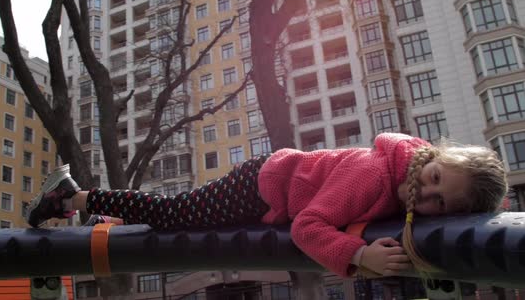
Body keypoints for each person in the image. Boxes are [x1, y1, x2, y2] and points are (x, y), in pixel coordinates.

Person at [26, 133, 507, 278]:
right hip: (262, 185)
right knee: (174, 215)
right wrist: (359, 255)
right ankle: (75, 195)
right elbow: (308, 227)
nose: (426, 195)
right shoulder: (372, 176)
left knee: (178, 218)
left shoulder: (404, 174)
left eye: (440, 204)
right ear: (433, 157)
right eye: (434, 179)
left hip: (273, 186)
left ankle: (90, 201)